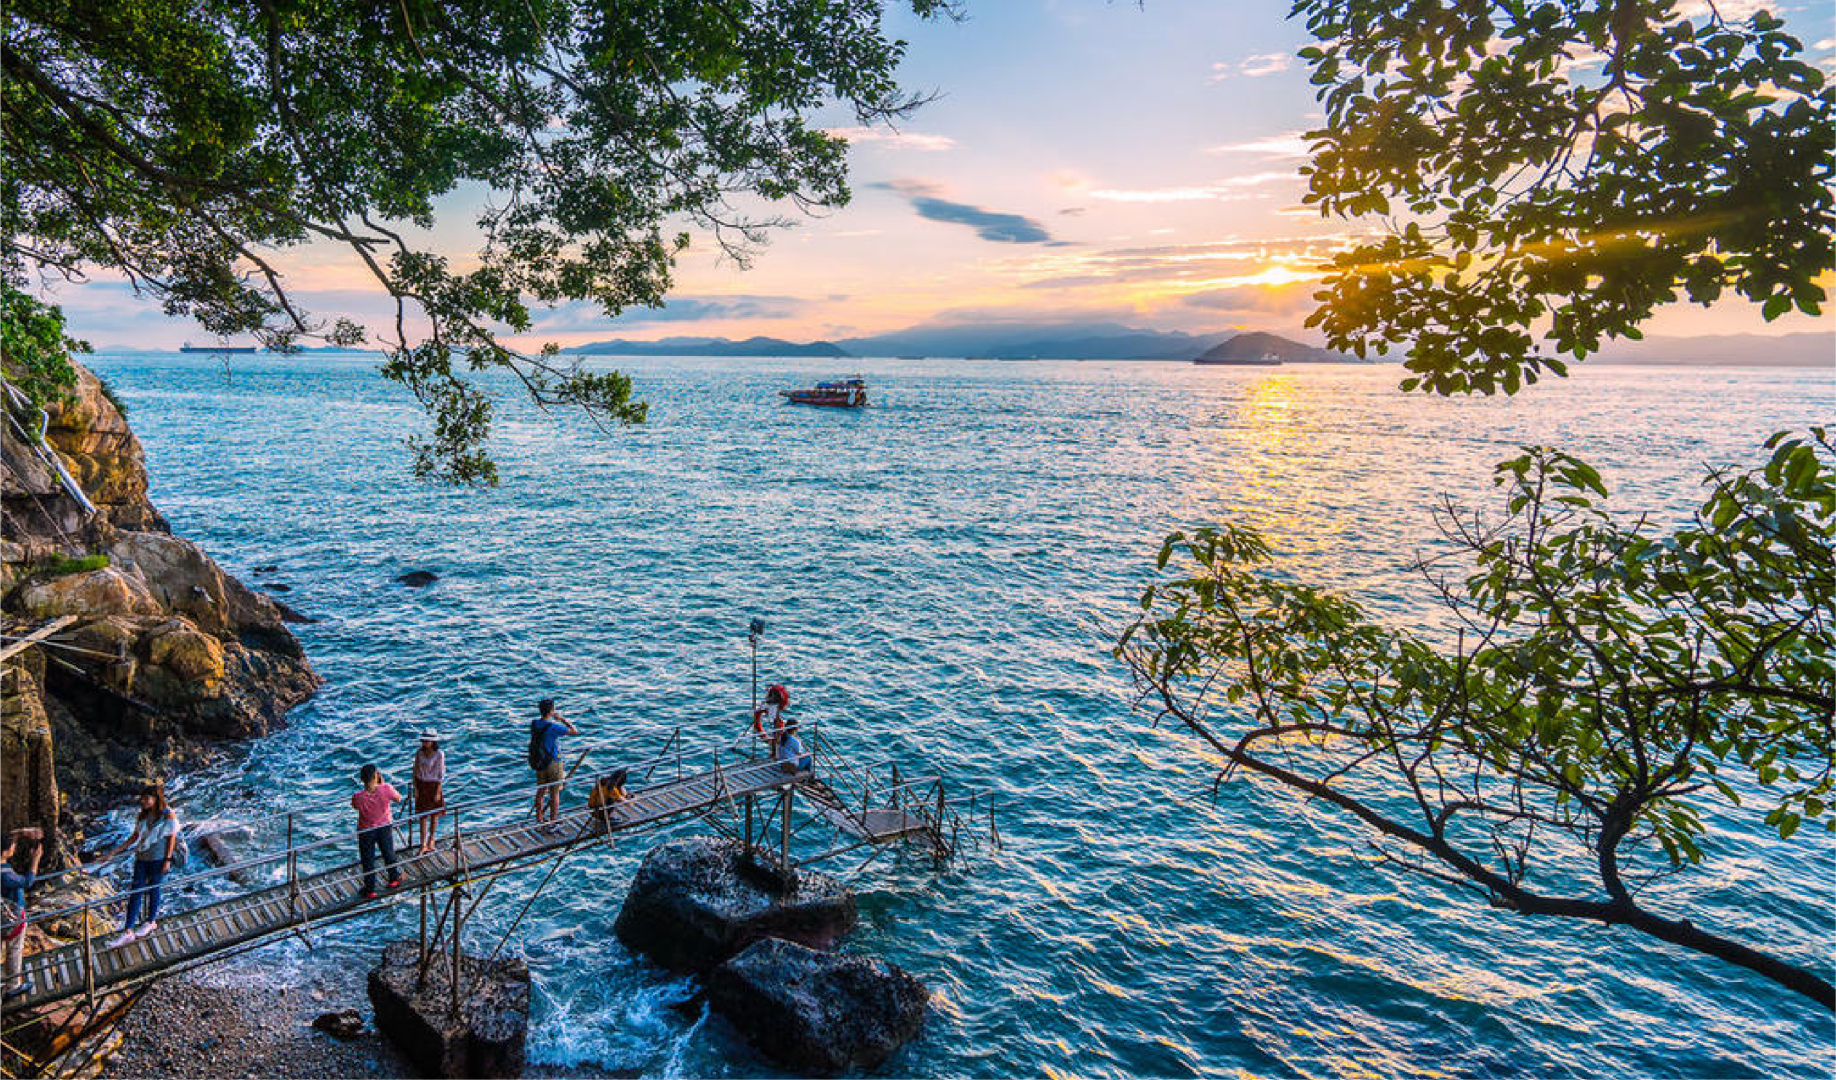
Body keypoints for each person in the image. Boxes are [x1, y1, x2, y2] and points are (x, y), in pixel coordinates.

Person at [105, 783, 179, 947]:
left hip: (158, 859)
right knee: (136, 892)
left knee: (154, 889)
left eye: (147, 798)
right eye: (142, 799)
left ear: (155, 799)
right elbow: (134, 837)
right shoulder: (143, 816)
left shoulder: (168, 815)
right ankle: (128, 931)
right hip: (141, 858)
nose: (143, 802)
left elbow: (171, 838)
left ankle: (151, 921)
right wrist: (113, 852)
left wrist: (167, 860)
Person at [0, 827, 42, 1000]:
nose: (14, 848)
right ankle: (13, 986)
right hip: (11, 917)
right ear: (5, 852)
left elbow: (8, 837)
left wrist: (24, 832)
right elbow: (27, 881)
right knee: (14, 950)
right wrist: (35, 860)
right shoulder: (5, 875)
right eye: (12, 846)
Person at [352, 764, 405, 899]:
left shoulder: (358, 797)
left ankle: (370, 889)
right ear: (377, 776)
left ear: (362, 780)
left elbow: (354, 806)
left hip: (366, 830)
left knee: (368, 859)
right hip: (384, 827)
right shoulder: (385, 789)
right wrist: (383, 783)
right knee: (388, 852)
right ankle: (393, 878)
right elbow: (398, 798)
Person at [528, 699, 577, 823]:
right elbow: (574, 731)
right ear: (551, 711)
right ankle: (553, 821)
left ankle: (539, 818)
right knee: (554, 793)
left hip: (539, 761)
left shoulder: (534, 723)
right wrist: (562, 719)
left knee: (541, 790)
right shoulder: (553, 727)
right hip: (553, 762)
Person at [411, 732, 446, 854]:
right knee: (422, 816)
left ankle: (431, 839)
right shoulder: (419, 753)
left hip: (433, 785)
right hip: (421, 784)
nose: (424, 743)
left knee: (434, 815)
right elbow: (415, 770)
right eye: (423, 741)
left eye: (427, 741)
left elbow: (440, 775)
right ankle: (422, 843)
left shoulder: (439, 754)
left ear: (432, 742)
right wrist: (415, 788)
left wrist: (438, 792)